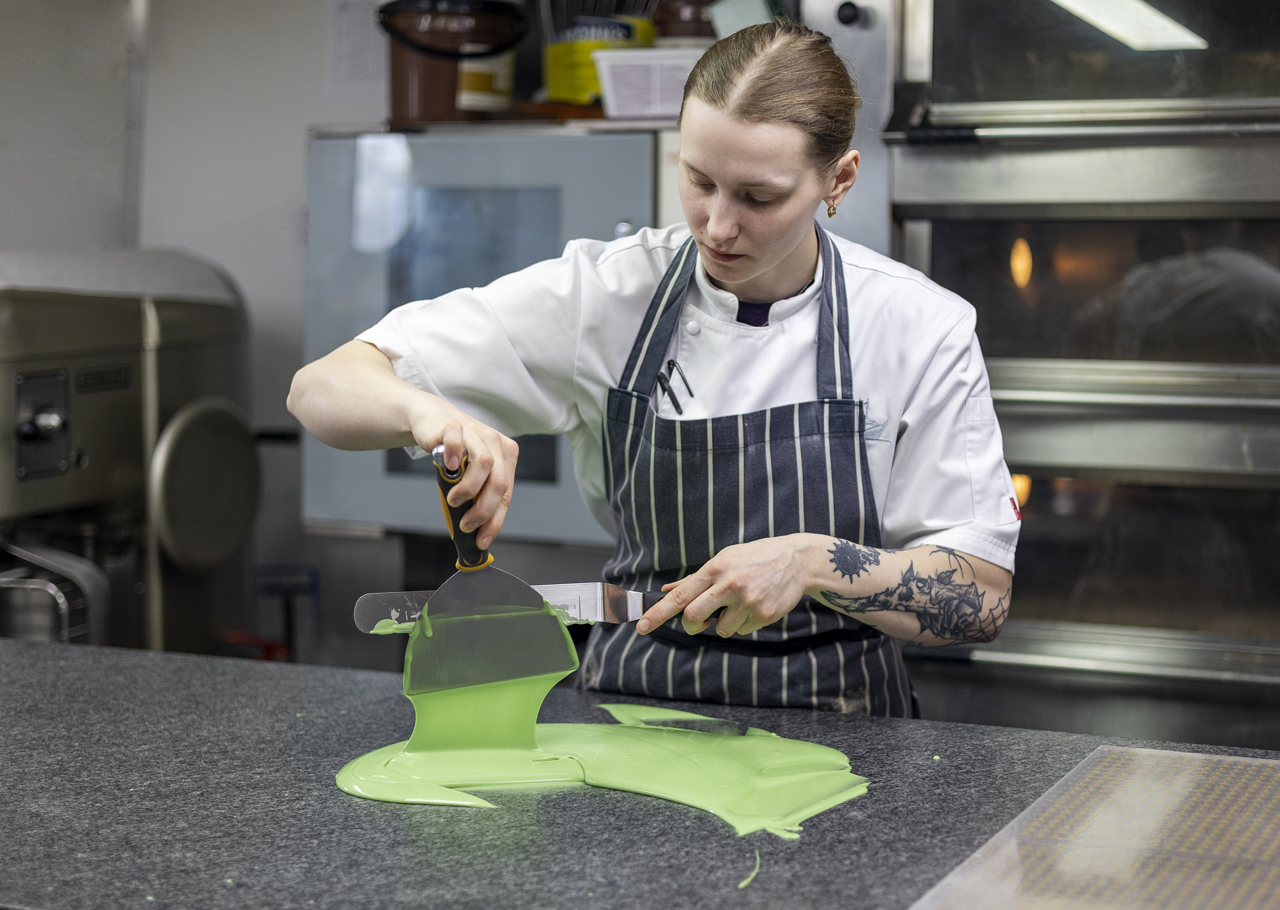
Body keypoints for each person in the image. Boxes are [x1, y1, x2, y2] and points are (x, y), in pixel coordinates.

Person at [288, 20, 1019, 716]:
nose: (718, 226)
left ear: (840, 180)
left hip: (847, 729)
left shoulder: (920, 327)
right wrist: (429, 412)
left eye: (758, 197)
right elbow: (320, 389)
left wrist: (811, 563)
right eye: (699, 180)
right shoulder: (607, 294)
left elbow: (982, 600)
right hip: (635, 715)